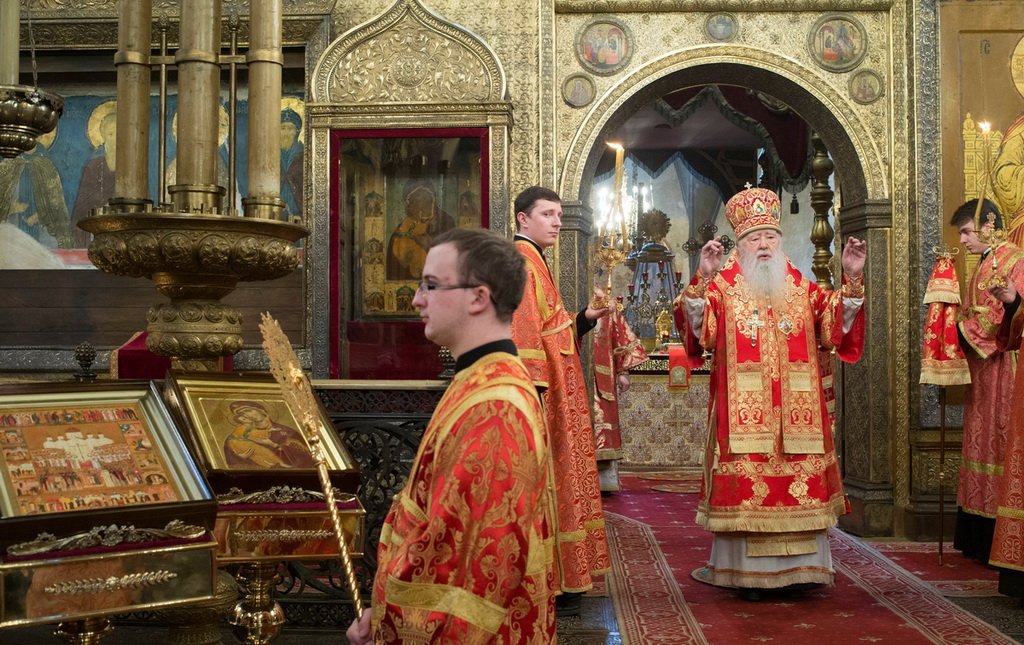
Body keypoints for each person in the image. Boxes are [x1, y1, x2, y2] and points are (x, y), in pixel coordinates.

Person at [346, 228, 555, 644]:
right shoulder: (478, 380)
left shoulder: (498, 411)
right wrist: (384, 611)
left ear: (478, 297)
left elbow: (475, 579)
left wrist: (397, 627)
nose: (416, 300)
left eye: (430, 285)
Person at [673, 186, 866, 599]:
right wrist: (702, 277)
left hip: (799, 418)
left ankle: (805, 569)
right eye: (753, 238)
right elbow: (698, 331)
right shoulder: (723, 288)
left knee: (801, 485)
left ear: (779, 241)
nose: (763, 245)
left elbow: (833, 327)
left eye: (770, 237)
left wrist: (851, 278)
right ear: (739, 244)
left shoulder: (801, 288)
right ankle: (747, 574)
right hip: (744, 418)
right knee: (749, 487)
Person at [510, 185, 611, 616]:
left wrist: (584, 318)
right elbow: (524, 335)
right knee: (551, 481)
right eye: (547, 214)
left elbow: (551, 328)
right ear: (522, 218)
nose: (556, 222)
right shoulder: (520, 261)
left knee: (562, 480)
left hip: (556, 393)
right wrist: (533, 397)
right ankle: (551, 581)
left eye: (558, 214)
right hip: (545, 396)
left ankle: (563, 578)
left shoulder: (535, 260)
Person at [949, 199, 1024, 563]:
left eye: (966, 232)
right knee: (980, 443)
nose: (963, 240)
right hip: (980, 370)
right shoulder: (984, 261)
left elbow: (1002, 318)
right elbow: (970, 311)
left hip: (1005, 366)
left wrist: (956, 333)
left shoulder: (1014, 260)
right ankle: (977, 536)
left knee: (999, 441)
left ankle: (998, 535)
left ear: (987, 225)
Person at [592, 304, 648, 492]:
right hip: (573, 376)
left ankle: (604, 481)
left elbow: (620, 338)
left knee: (603, 423)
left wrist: (623, 371)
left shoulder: (607, 306)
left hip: (601, 378)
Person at [386, 179, 456, 280]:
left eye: (417, 198)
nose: (411, 204)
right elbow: (394, 267)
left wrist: (429, 245)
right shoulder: (404, 226)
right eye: (410, 201)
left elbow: (452, 256)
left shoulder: (445, 222)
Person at [222, 400, 316, 469]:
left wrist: (275, 445)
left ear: (261, 410)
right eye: (241, 414)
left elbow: (305, 459)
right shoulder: (238, 436)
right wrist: (240, 456)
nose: (246, 415)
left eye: (247, 411)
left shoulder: (287, 432)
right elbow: (232, 462)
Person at [280, 107, 304, 218]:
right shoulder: (271, 154)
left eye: (290, 128)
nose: (286, 133)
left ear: (297, 131)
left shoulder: (304, 154)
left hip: (297, 213)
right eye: (283, 128)